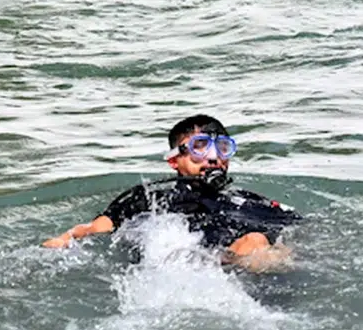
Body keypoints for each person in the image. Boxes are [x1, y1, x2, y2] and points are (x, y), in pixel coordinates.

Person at [43, 114, 299, 272]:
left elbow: (297, 235)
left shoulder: (251, 202)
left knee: (257, 242)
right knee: (252, 243)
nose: (213, 158)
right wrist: (63, 239)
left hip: (238, 269)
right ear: (174, 161)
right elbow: (94, 228)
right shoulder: (148, 197)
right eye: (200, 148)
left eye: (222, 148)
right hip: (181, 268)